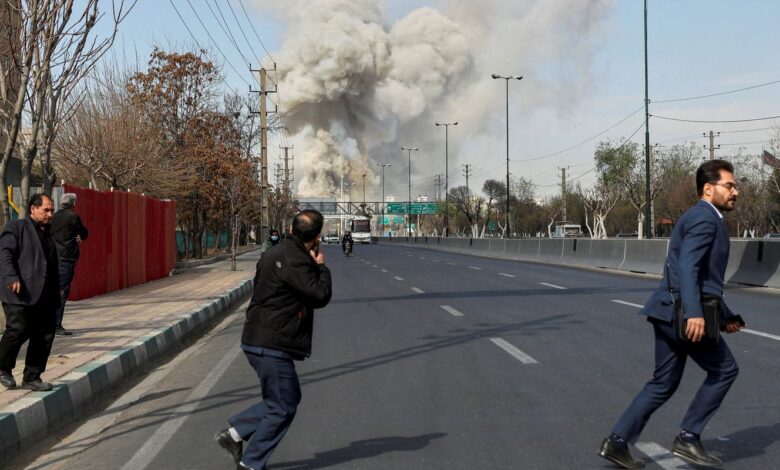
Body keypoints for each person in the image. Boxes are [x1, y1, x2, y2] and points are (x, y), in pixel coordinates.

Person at [598, 159, 743, 469]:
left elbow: (701, 278)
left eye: (735, 186)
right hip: (683, 314)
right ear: (708, 189)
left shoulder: (698, 216)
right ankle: (689, 437)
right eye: (729, 185)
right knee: (725, 370)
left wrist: (726, 315)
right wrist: (694, 313)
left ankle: (617, 441)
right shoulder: (707, 219)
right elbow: (687, 268)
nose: (736, 191)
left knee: (662, 383)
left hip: (665, 311)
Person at [215, 210, 332, 470]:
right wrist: (321, 266)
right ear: (316, 237)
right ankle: (251, 462)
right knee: (283, 407)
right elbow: (319, 295)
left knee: (286, 398)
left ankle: (234, 434)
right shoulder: (297, 261)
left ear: (291, 230)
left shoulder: (272, 253)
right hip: (272, 343)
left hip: (257, 337)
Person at [0, 194, 59, 391]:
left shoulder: (49, 232)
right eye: (46, 210)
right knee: (18, 329)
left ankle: (32, 377)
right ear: (33, 209)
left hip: (46, 294)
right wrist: (11, 277)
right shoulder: (16, 228)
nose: (50, 214)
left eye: (52, 210)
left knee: (44, 336)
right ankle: (2, 369)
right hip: (19, 292)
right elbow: (5, 254)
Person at [51, 193, 89, 336]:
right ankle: (56, 325)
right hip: (67, 258)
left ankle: (49, 324)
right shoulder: (73, 217)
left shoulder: (53, 216)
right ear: (73, 204)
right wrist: (77, 236)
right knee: (62, 291)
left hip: (53, 257)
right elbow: (84, 233)